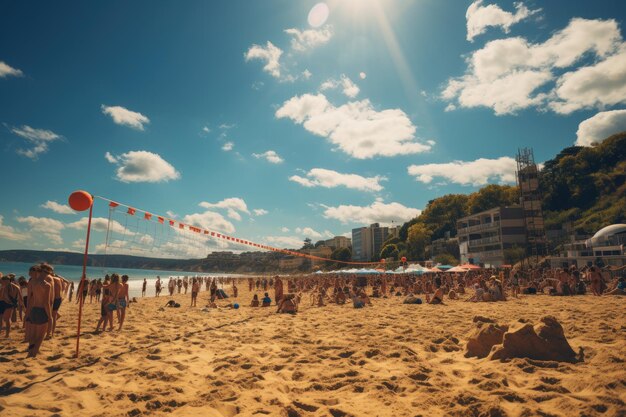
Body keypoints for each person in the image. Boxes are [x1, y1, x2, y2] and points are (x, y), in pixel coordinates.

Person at [26, 265, 52, 357]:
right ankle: (33, 355)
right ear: (41, 272)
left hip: (33, 310)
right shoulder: (46, 285)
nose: (48, 275)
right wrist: (50, 317)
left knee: (33, 335)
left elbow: (29, 299)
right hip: (42, 311)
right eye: (47, 272)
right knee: (40, 336)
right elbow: (46, 303)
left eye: (49, 273)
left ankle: (29, 353)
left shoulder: (32, 282)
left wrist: (27, 312)